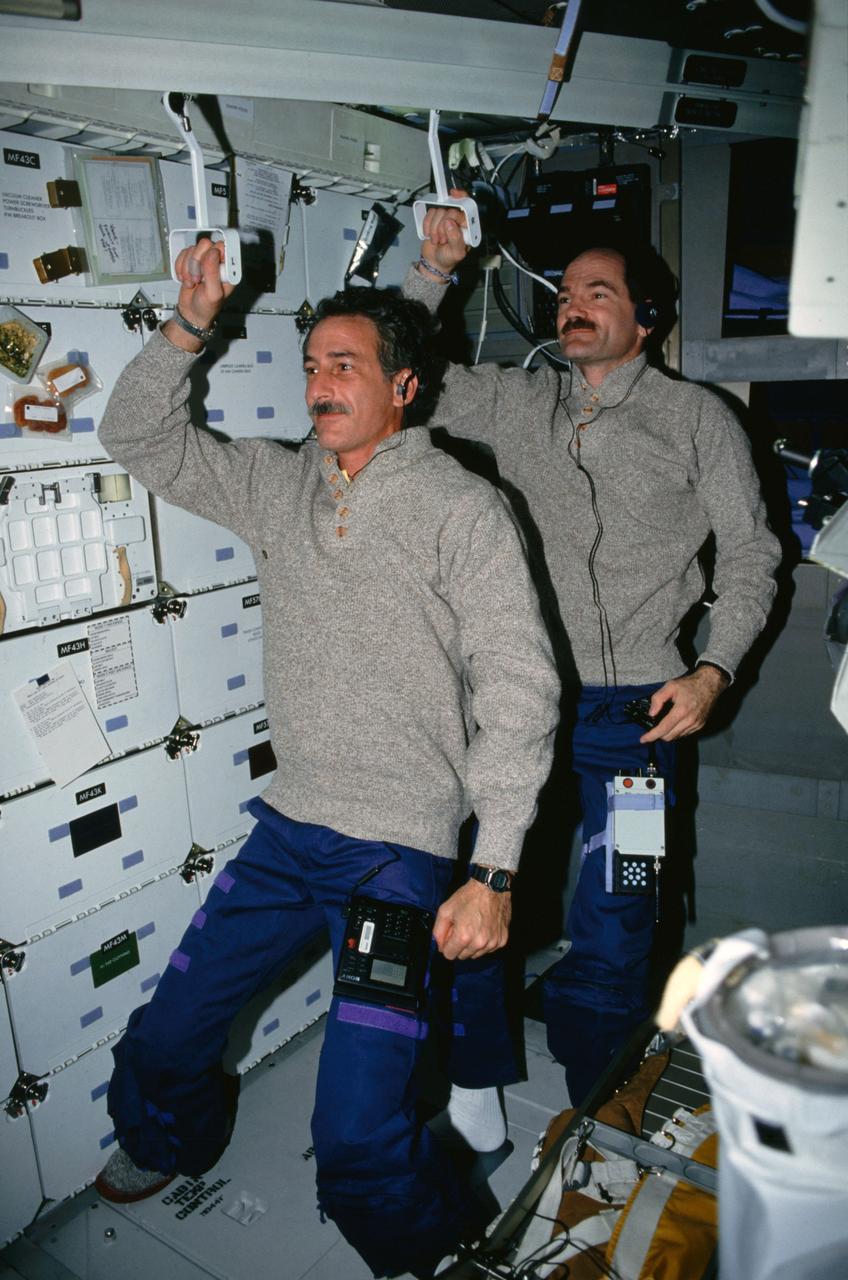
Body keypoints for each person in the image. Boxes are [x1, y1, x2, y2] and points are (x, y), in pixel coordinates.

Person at [94, 241, 560, 1280]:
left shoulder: (460, 508)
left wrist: (492, 868)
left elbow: (521, 690)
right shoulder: (278, 486)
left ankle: (433, 1247)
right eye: (311, 364)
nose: (318, 384)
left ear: (405, 384)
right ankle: (169, 1138)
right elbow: (135, 432)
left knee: (356, 1126)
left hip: (396, 854)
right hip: (289, 830)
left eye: (344, 364)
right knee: (167, 1036)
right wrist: (187, 323)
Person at [404, 208, 782, 1104]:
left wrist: (714, 667)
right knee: (470, 895)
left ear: (646, 318)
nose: (571, 307)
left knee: (620, 919)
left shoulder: (697, 419)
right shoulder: (517, 399)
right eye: (566, 294)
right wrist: (431, 271)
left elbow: (753, 553)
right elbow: (402, 371)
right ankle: (473, 1088)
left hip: (640, 721)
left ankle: (597, 1109)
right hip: (514, 705)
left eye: (597, 293)